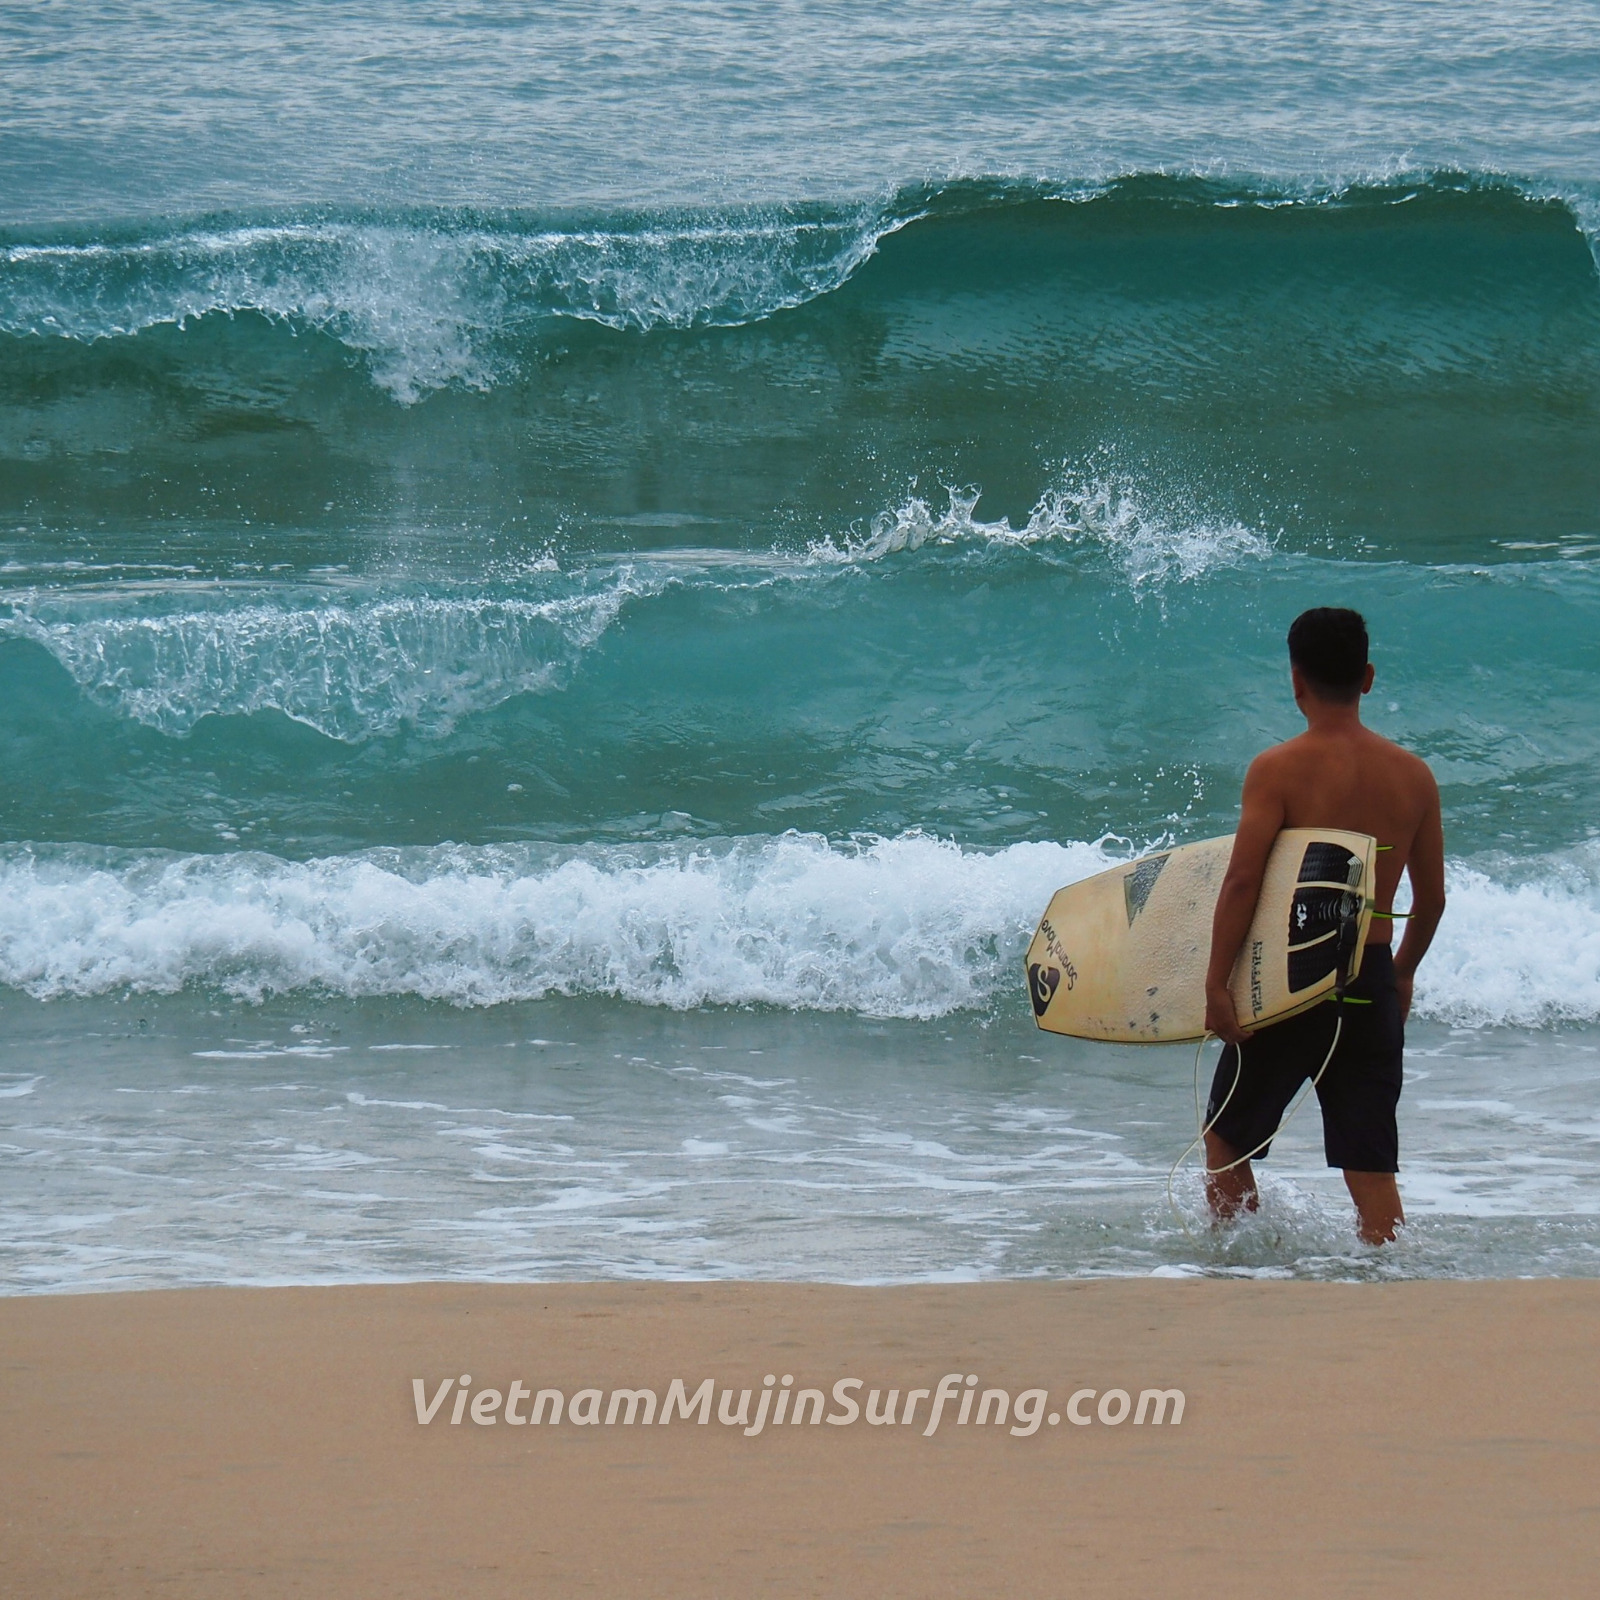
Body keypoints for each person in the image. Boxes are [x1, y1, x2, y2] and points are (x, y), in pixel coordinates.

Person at [1202, 608, 1446, 1244]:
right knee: (1370, 1164)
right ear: (1367, 677)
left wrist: (1216, 982)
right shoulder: (1415, 777)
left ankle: (1238, 1263)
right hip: (1369, 981)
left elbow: (1242, 882)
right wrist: (1401, 975)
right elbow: (1431, 902)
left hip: (1293, 977)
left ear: (1295, 680)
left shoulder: (1278, 769)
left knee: (1226, 1140)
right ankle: (1388, 1273)